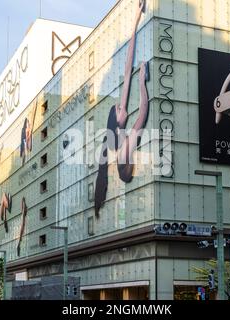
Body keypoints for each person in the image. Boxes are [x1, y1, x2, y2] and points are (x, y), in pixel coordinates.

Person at [95, 0, 149, 217]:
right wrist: (142, 83)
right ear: (117, 121)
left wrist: (135, 21)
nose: (120, 105)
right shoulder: (123, 146)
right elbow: (143, 113)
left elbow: (127, 71)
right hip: (127, 170)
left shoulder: (118, 131)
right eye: (118, 109)